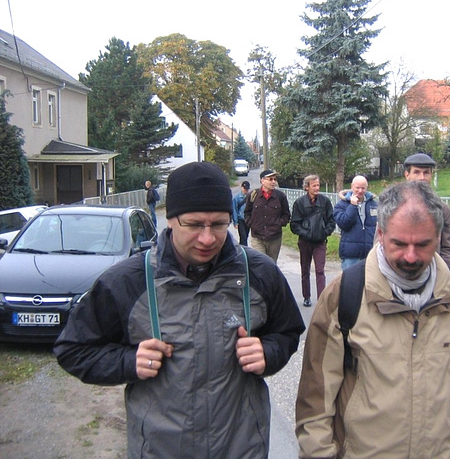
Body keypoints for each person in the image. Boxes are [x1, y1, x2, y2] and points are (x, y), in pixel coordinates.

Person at [54, 161, 305, 458]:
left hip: (241, 447)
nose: (208, 238)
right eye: (195, 224)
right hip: (160, 450)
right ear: (170, 219)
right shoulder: (127, 282)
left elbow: (287, 332)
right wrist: (128, 361)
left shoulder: (260, 274)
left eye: (219, 224)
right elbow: (73, 349)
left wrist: (269, 352)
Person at [296, 181, 450, 458]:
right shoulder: (345, 294)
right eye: (399, 243)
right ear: (380, 233)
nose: (411, 256)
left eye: (423, 244)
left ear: (438, 237)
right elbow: (316, 392)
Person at [290, 174, 336, 307]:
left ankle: (321, 298)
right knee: (305, 269)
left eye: (318, 185)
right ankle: (306, 296)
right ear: (307, 187)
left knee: (320, 270)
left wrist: (324, 233)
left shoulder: (325, 201)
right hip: (305, 242)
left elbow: (331, 221)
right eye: (314, 185)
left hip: (320, 242)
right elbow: (294, 224)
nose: (317, 188)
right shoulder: (299, 203)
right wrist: (306, 234)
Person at [403, 152, 450, 266]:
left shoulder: (441, 209)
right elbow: (380, 243)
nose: (422, 178)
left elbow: (448, 247)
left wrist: (443, 271)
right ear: (407, 175)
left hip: (433, 272)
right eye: (416, 172)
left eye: (426, 172)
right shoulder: (393, 206)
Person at [244, 169, 291, 263]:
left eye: (275, 179)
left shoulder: (280, 196)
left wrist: (278, 223)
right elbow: (247, 213)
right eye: (270, 179)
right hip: (257, 237)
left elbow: (286, 215)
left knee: (271, 264)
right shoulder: (253, 195)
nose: (273, 182)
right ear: (262, 180)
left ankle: (271, 278)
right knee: (261, 263)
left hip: (274, 238)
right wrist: (252, 223)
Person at [333, 175, 377, 270]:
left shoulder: (374, 205)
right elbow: (344, 224)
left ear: (367, 188)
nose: (360, 191)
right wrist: (353, 206)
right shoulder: (341, 205)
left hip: (370, 254)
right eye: (357, 188)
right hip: (351, 254)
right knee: (350, 283)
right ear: (352, 187)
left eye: (363, 188)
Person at [232, 180, 250, 246]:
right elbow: (234, 210)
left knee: (246, 236)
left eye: (247, 189)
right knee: (243, 237)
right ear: (241, 187)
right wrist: (235, 222)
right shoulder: (236, 198)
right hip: (240, 219)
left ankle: (241, 249)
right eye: (244, 189)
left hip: (247, 219)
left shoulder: (250, 197)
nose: (246, 190)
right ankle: (245, 251)